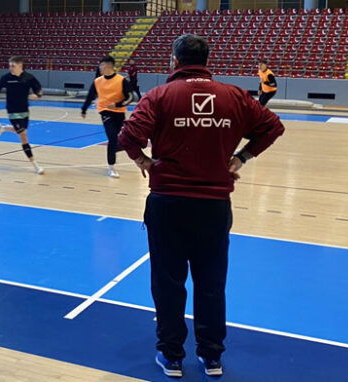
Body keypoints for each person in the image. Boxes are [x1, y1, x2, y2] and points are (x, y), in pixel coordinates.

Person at [117, 34, 285, 378]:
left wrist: (143, 162)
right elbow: (273, 127)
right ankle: (211, 357)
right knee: (211, 283)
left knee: (167, 283)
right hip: (213, 205)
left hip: (168, 204)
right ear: (207, 61)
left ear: (174, 61)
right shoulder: (234, 96)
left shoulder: (159, 96)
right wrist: (241, 157)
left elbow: (127, 137)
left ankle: (172, 356)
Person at [0, 56, 44, 175]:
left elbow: (39, 88)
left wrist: (38, 95)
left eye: (13, 66)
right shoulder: (7, 78)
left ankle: (2, 128)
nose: (10, 68)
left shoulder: (29, 77)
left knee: (21, 131)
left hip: (25, 111)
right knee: (23, 134)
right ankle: (35, 165)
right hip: (12, 111)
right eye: (10, 66)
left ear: (20, 66)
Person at [81, 56, 133, 178]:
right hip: (105, 112)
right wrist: (84, 109)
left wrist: (117, 104)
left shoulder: (121, 80)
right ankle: (112, 167)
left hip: (119, 113)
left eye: (102, 65)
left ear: (109, 66)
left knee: (119, 141)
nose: (100, 68)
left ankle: (120, 148)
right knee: (112, 138)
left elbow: (130, 97)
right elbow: (90, 95)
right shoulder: (98, 81)